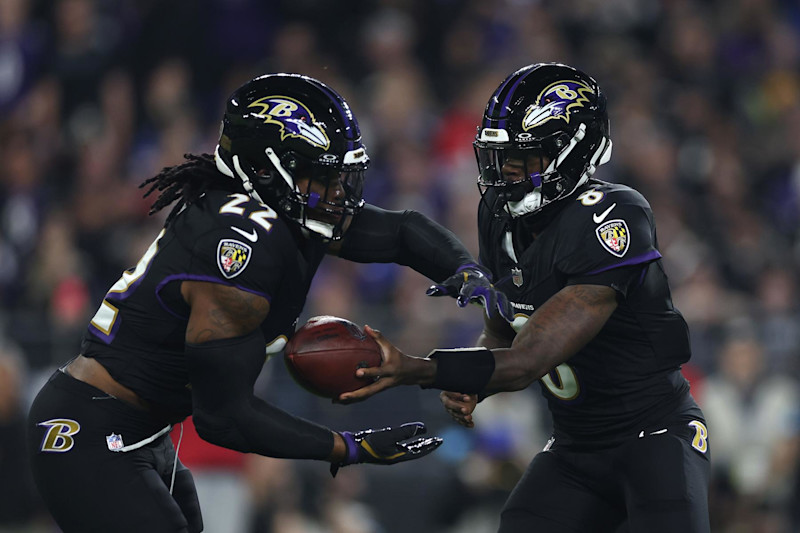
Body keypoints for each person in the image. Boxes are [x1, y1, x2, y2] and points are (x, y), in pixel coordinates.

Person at [26, 73, 511, 533]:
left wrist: (465, 268)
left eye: (341, 176)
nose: (338, 193)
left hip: (139, 425)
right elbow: (224, 417)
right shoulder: (239, 249)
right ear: (264, 170)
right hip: (92, 427)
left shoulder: (280, 210)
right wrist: (347, 447)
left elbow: (401, 231)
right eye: (321, 177)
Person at [339, 63, 711, 532]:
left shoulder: (613, 214)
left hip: (655, 435)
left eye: (523, 157)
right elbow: (503, 327)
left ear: (572, 153)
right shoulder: (501, 217)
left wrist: (414, 368)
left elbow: (529, 358)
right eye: (500, 156)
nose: (506, 171)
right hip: (576, 445)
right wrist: (474, 376)